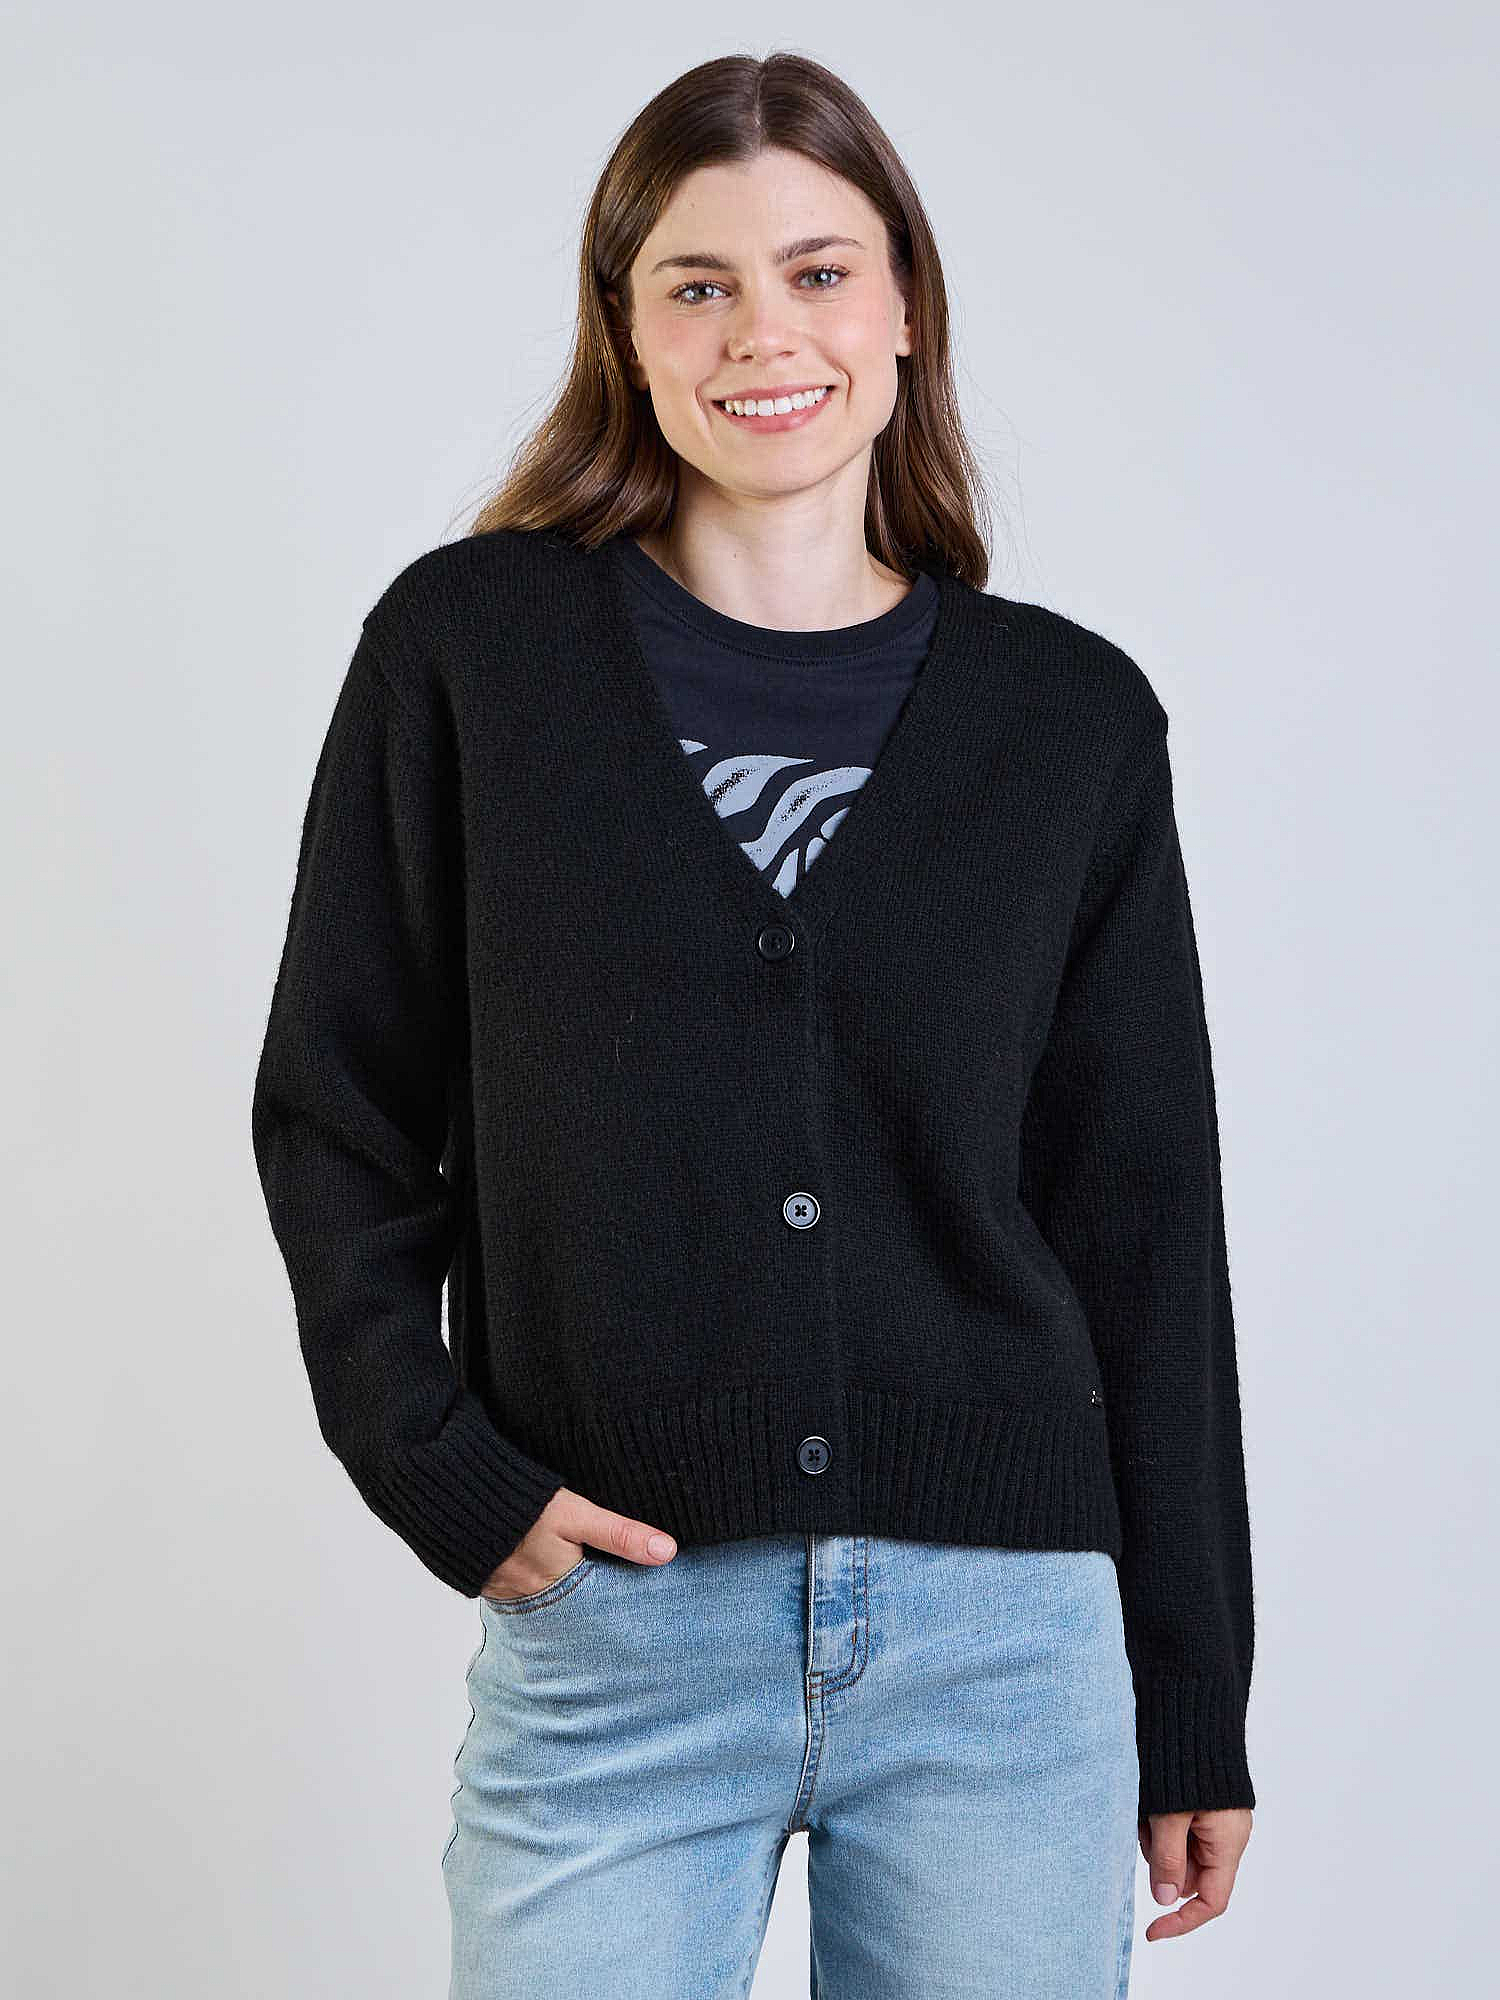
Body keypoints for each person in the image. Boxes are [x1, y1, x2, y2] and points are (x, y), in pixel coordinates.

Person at [251, 50, 1256, 2000]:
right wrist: (439, 1461)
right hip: (617, 1630)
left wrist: (1193, 1688)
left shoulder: (1068, 722)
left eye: (817, 272)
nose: (762, 333)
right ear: (624, 330)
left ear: (905, 309)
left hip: (1006, 1656)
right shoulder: (470, 657)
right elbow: (337, 1111)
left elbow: (1144, 1214)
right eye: (697, 284)